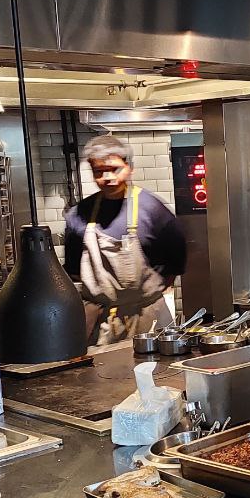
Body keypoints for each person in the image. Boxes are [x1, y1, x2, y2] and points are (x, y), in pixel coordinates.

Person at [64, 135, 187, 345]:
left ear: (130, 167)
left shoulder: (153, 210)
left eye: (115, 169)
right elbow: (73, 271)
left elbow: (176, 261)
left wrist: (144, 295)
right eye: (99, 171)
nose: (108, 177)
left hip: (148, 316)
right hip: (100, 321)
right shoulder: (79, 215)